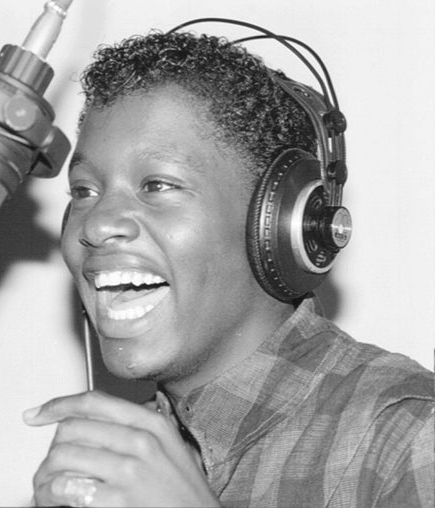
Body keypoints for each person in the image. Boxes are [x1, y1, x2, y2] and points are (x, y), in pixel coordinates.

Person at [22, 29, 435, 507]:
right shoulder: (117, 464)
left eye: (157, 185)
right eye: (83, 192)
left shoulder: (408, 435)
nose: (98, 225)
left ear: (280, 224)